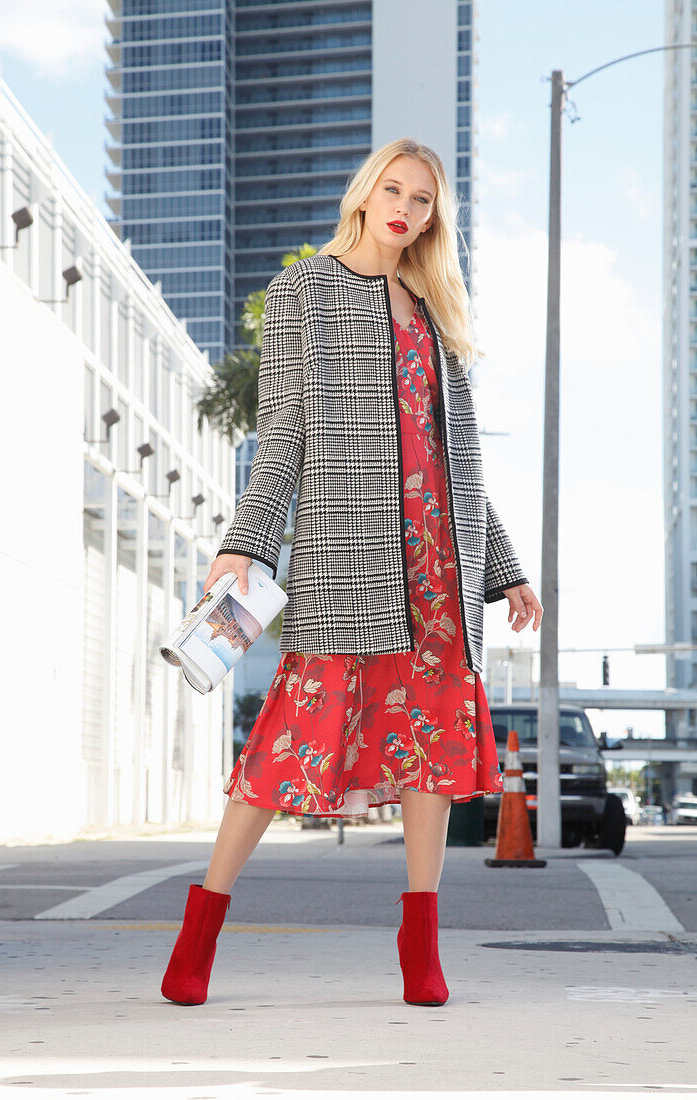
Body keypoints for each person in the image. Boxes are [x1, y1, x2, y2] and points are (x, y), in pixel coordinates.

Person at [160, 138, 543, 1009]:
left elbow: (462, 463)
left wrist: (507, 569)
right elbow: (284, 430)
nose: (406, 208)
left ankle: (420, 948)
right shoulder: (304, 291)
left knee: (433, 758)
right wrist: (248, 540)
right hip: (349, 556)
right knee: (288, 740)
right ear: (365, 194)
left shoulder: (438, 312)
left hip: (441, 569)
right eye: (393, 189)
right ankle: (201, 927)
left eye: (423, 200)